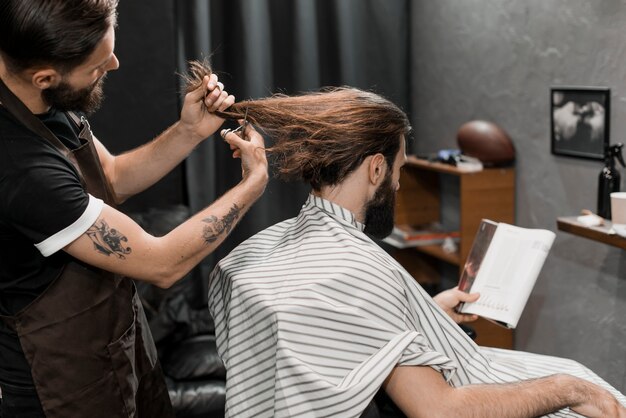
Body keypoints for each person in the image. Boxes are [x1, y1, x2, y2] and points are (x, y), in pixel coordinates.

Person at [207, 85, 626, 417]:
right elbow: (439, 410)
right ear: (376, 168)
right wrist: (566, 389)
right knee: (586, 385)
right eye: (400, 168)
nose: (400, 183)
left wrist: (426, 313)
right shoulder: (358, 271)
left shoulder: (260, 249)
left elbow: (347, 330)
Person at [0, 1, 267, 417]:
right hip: (58, 385)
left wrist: (188, 131)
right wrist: (252, 185)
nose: (115, 65)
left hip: (112, 347)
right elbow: (163, 264)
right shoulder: (22, 170)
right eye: (97, 66)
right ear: (45, 77)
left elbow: (112, 178)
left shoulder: (41, 99)